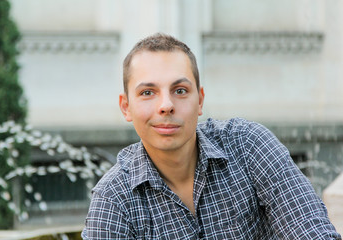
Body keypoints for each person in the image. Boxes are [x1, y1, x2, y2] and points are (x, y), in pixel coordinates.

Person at [82, 33, 341, 239]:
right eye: (148, 92)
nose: (166, 105)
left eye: (180, 90)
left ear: (200, 100)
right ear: (126, 106)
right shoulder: (113, 199)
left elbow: (312, 230)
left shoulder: (249, 145)